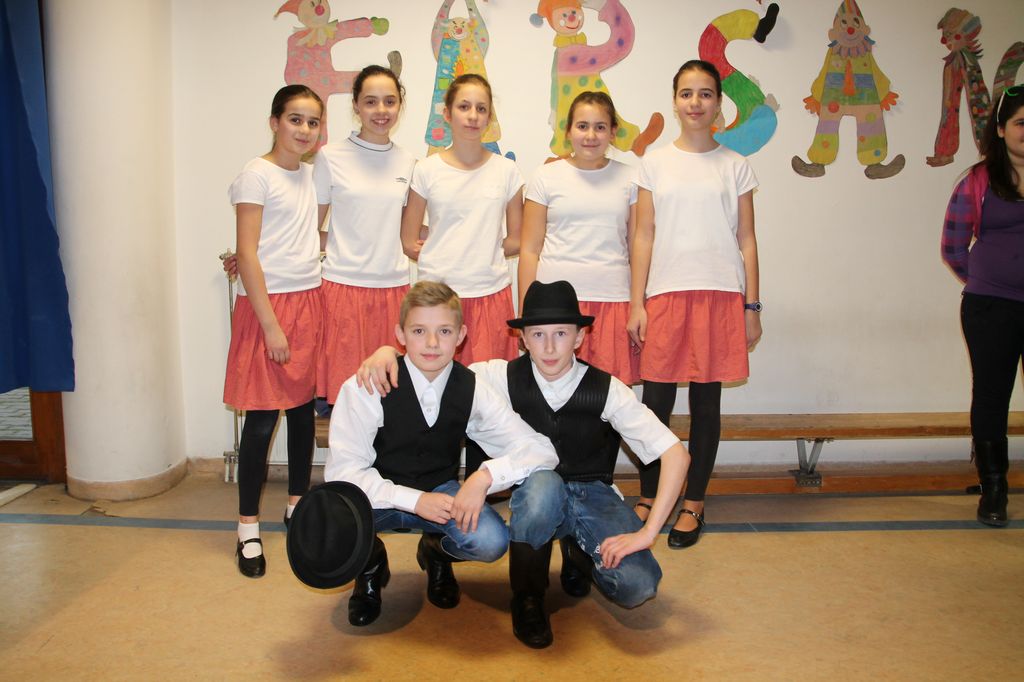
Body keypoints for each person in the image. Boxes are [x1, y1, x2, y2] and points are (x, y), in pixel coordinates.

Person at [359, 280, 690, 649]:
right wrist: (387, 353)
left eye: (561, 333)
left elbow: (676, 454)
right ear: (523, 340)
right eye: (538, 334)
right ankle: (528, 597)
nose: (549, 347)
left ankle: (579, 552)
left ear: (580, 337)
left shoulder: (608, 388)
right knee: (544, 486)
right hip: (538, 494)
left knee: (638, 586)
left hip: (593, 494)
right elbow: (434, 361)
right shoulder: (495, 376)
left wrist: (648, 532)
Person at [325, 281, 558, 627]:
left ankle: (436, 552)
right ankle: (370, 565)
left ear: (461, 335)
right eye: (419, 331)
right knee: (331, 524)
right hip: (378, 495)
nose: (432, 343)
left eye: (444, 331)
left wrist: (485, 477)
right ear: (400, 335)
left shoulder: (472, 387)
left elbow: (541, 449)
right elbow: (342, 473)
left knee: (490, 541)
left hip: (440, 493)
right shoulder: (369, 383)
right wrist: (414, 500)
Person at [628, 60, 762, 549]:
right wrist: (637, 302)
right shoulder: (654, 163)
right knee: (655, 405)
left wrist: (752, 306)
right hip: (665, 294)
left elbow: (747, 239)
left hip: (720, 295)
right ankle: (649, 495)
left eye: (705, 93)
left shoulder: (735, 166)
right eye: (687, 93)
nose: (695, 102)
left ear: (718, 102)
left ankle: (694, 502)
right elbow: (643, 235)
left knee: (706, 405)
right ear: (674, 101)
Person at [224, 85, 324, 578]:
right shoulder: (255, 175)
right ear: (274, 122)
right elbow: (247, 254)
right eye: (295, 119)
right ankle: (247, 529)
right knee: (262, 421)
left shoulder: (310, 175)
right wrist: (271, 328)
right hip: (268, 308)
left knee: (302, 415)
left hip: (309, 300)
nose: (304, 130)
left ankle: (296, 505)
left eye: (312, 122)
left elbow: (304, 236)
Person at [941, 85, 1024, 527]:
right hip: (991, 307)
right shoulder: (978, 180)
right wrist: (987, 280)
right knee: (992, 396)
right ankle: (994, 489)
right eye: (1021, 123)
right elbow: (953, 247)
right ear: (1002, 129)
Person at [400, 73, 523, 366]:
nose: (473, 116)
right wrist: (445, 253)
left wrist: (481, 250)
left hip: (490, 294)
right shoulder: (426, 170)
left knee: (489, 384)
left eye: (481, 108)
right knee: (436, 381)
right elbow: (408, 240)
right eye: (464, 107)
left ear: (489, 117)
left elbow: (517, 239)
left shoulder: (507, 171)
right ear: (447, 113)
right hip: (436, 298)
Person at [520, 91, 640, 385]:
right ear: (569, 131)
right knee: (555, 393)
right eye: (582, 126)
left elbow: (637, 247)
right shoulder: (545, 176)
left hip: (613, 300)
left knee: (609, 396)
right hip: (555, 307)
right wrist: (527, 313)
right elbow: (530, 249)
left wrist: (640, 304)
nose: (590, 135)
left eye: (600, 127)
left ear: (613, 132)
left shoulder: (632, 178)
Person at [314, 65, 417, 405]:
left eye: (390, 101)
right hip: (342, 290)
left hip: (394, 290)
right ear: (356, 105)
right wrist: (342, 243)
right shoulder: (331, 157)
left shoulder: (408, 161)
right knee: (345, 400)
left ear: (400, 105)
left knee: (391, 401)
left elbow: (406, 228)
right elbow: (309, 229)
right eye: (371, 101)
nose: (381, 110)